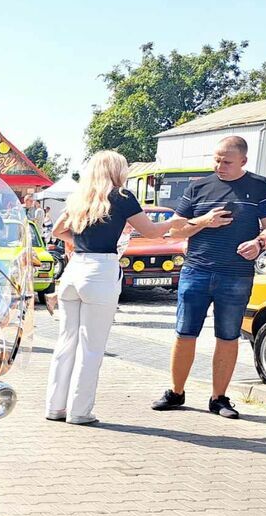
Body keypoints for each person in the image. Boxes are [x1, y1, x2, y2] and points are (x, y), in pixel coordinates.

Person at [44, 151, 199, 425]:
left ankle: (55, 407)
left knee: (66, 342)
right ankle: (80, 411)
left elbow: (57, 230)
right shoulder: (122, 196)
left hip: (74, 269)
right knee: (91, 347)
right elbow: (151, 232)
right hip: (101, 270)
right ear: (117, 171)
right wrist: (172, 223)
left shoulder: (79, 196)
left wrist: (80, 244)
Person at [150, 135, 266, 418]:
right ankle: (176, 392)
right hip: (196, 271)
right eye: (217, 160)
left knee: (228, 336)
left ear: (244, 161)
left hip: (236, 275)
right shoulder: (198, 187)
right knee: (185, 333)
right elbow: (176, 229)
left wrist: (260, 242)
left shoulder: (260, 185)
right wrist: (204, 221)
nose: (220, 166)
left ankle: (219, 398)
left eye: (227, 162)